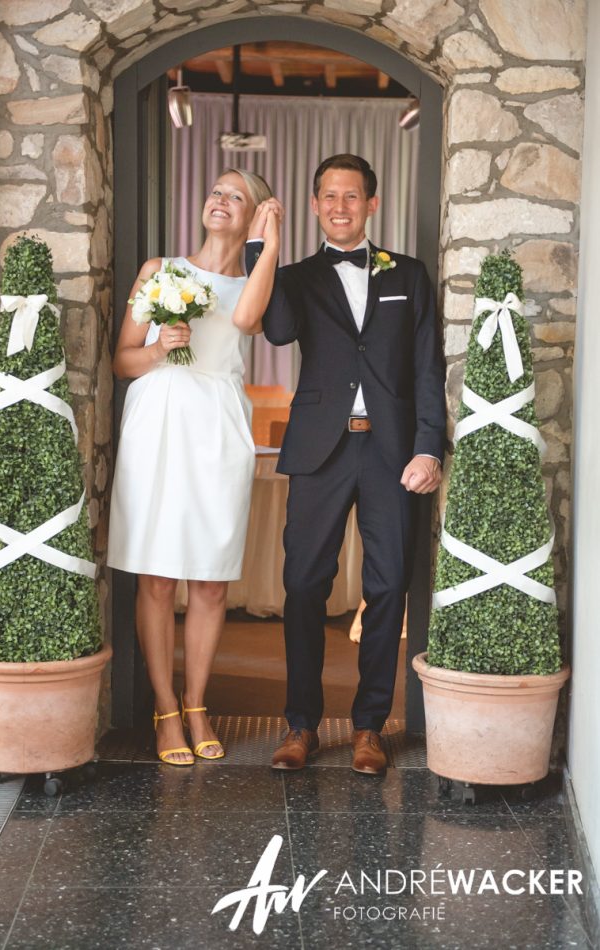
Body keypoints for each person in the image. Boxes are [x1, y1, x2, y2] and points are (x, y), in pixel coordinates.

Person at [237, 154, 446, 775]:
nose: (339, 206)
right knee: (303, 586)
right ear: (314, 204)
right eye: (328, 195)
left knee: (387, 587)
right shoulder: (296, 277)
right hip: (319, 451)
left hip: (391, 453)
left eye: (351, 196)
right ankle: (300, 724)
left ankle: (368, 728)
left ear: (371, 204)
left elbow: (428, 367)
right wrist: (261, 247)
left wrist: (429, 446)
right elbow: (274, 332)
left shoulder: (408, 274)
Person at [107, 168, 275, 767]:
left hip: (219, 428)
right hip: (159, 419)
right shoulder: (158, 271)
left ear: (255, 212)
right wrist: (158, 347)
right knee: (155, 575)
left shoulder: (256, 284)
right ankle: (164, 707)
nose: (219, 200)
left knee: (209, 578)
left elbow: (251, 322)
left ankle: (198, 702)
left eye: (236, 195)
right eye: (215, 191)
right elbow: (122, 360)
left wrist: (271, 244)